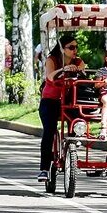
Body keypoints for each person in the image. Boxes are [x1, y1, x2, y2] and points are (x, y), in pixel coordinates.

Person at [37, 33, 85, 181]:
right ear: (62, 48)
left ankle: (74, 138)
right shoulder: (52, 60)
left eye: (76, 47)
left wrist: (77, 71)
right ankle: (44, 169)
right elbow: (50, 77)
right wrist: (63, 70)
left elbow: (83, 73)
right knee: (49, 132)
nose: (74, 50)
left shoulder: (78, 61)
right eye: (71, 47)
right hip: (51, 101)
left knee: (78, 115)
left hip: (69, 101)